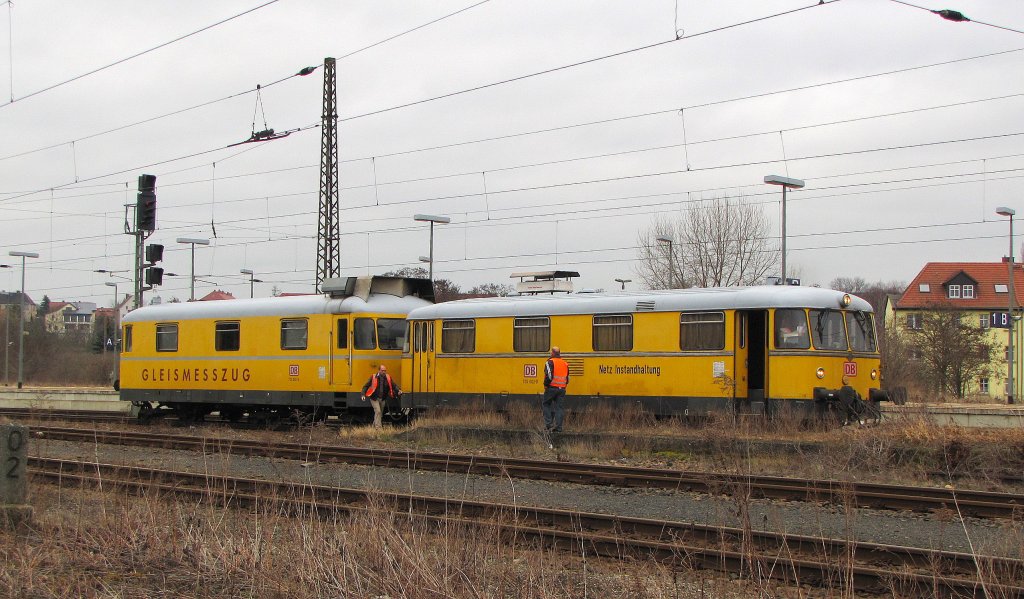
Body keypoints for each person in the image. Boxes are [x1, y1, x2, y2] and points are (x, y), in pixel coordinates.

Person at [361, 364, 400, 429]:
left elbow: (394, 385)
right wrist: (363, 394)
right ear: (379, 370)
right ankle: (378, 428)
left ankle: (373, 426)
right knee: (378, 411)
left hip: (382, 399)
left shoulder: (388, 378)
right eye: (382, 370)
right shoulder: (373, 377)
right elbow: (366, 386)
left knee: (380, 414)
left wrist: (399, 390)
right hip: (374, 398)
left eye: (385, 370)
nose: (384, 372)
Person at [543, 346, 570, 432]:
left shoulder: (550, 362)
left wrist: (546, 385)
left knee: (546, 404)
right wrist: (563, 386)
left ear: (552, 353)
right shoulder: (565, 363)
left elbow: (549, 376)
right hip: (562, 389)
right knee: (559, 408)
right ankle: (558, 428)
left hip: (551, 388)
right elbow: (567, 378)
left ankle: (549, 425)